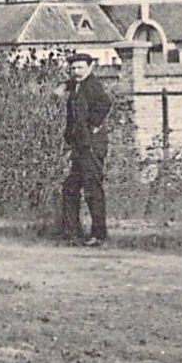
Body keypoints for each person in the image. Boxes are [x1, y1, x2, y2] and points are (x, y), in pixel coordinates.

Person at [60, 51, 112, 246]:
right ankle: (72, 233)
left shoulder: (93, 85)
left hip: (91, 147)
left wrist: (92, 126)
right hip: (80, 147)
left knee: (92, 190)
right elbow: (72, 90)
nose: (76, 71)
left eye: (80, 67)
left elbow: (105, 103)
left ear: (90, 68)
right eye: (73, 68)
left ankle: (99, 235)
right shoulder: (77, 85)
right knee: (70, 188)